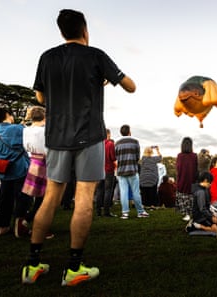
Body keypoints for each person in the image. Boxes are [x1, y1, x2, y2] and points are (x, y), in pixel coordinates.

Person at [22, 9, 136, 286]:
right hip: (90, 135)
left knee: (50, 198)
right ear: (85, 29)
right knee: (84, 198)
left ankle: (33, 265)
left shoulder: (47, 57)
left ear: (61, 31)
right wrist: (104, 79)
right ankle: (73, 268)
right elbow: (130, 86)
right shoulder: (96, 55)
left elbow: (40, 95)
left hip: (56, 136)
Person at [0, 107, 30, 236]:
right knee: (22, 198)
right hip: (20, 166)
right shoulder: (18, 128)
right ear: (7, 115)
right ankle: (19, 225)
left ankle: (3, 226)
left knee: (4, 199)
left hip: (4, 168)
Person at [20, 106, 54, 239]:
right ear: (44, 117)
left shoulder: (26, 130)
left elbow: (25, 147)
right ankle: (35, 224)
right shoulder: (45, 131)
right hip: (45, 163)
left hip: (33, 161)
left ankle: (29, 221)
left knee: (39, 198)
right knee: (45, 199)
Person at [115, 125, 149, 219]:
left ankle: (125, 213)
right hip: (133, 170)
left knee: (123, 192)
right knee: (136, 192)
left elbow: (116, 157)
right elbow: (137, 157)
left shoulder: (117, 143)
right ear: (129, 131)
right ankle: (140, 212)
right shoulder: (135, 142)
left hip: (121, 170)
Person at [94, 128, 117, 217]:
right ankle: (106, 211)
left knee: (99, 190)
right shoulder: (110, 144)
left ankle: (98, 211)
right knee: (108, 190)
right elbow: (113, 158)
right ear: (108, 134)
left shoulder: (96, 145)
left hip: (99, 170)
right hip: (108, 170)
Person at [176, 137, 198, 221]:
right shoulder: (194, 156)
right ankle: (192, 213)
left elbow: (178, 168)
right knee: (191, 197)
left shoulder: (179, 156)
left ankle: (187, 214)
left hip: (182, 180)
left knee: (184, 197)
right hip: (192, 180)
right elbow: (196, 168)